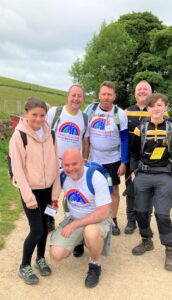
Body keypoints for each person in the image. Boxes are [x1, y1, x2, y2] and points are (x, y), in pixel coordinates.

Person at [9, 97, 60, 285]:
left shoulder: (52, 135)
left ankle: (40, 258)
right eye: (34, 115)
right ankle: (24, 266)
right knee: (37, 228)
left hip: (48, 191)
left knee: (46, 226)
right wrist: (28, 197)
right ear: (26, 113)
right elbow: (18, 170)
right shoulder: (19, 136)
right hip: (31, 191)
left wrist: (55, 195)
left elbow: (55, 164)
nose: (39, 119)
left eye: (42, 115)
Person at [130, 93, 172, 271]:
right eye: (152, 105)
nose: (156, 109)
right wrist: (133, 171)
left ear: (166, 107)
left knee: (162, 214)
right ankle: (146, 240)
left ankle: (170, 248)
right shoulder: (140, 129)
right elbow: (134, 153)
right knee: (140, 212)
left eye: (160, 105)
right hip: (143, 174)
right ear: (148, 108)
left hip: (163, 176)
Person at [50, 148, 112, 288]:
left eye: (74, 164)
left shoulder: (95, 177)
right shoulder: (63, 176)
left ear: (83, 161)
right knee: (56, 254)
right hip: (75, 218)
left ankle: (95, 264)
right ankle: (80, 241)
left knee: (90, 232)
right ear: (62, 165)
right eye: (66, 165)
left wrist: (74, 225)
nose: (70, 168)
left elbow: (103, 213)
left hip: (97, 220)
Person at [46, 84, 89, 258]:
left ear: (83, 98)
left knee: (74, 200)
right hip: (52, 164)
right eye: (73, 95)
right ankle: (49, 222)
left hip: (73, 168)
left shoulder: (84, 118)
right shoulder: (55, 113)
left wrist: (84, 161)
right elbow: (44, 135)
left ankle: (77, 239)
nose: (76, 99)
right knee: (51, 196)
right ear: (68, 96)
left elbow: (85, 142)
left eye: (79, 96)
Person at [85, 81, 128, 235]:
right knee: (92, 189)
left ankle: (113, 220)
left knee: (113, 190)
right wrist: (84, 158)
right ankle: (96, 218)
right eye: (103, 94)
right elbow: (85, 136)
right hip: (94, 159)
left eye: (109, 94)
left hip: (113, 159)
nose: (106, 97)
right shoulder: (90, 110)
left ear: (114, 96)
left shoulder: (120, 113)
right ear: (99, 95)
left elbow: (124, 139)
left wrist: (123, 162)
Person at [124, 80, 153, 234]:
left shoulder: (158, 111)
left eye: (145, 89)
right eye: (139, 89)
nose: (142, 91)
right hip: (131, 160)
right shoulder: (126, 112)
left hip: (151, 162)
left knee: (148, 193)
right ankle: (131, 221)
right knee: (131, 191)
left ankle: (145, 221)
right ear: (135, 93)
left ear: (151, 92)